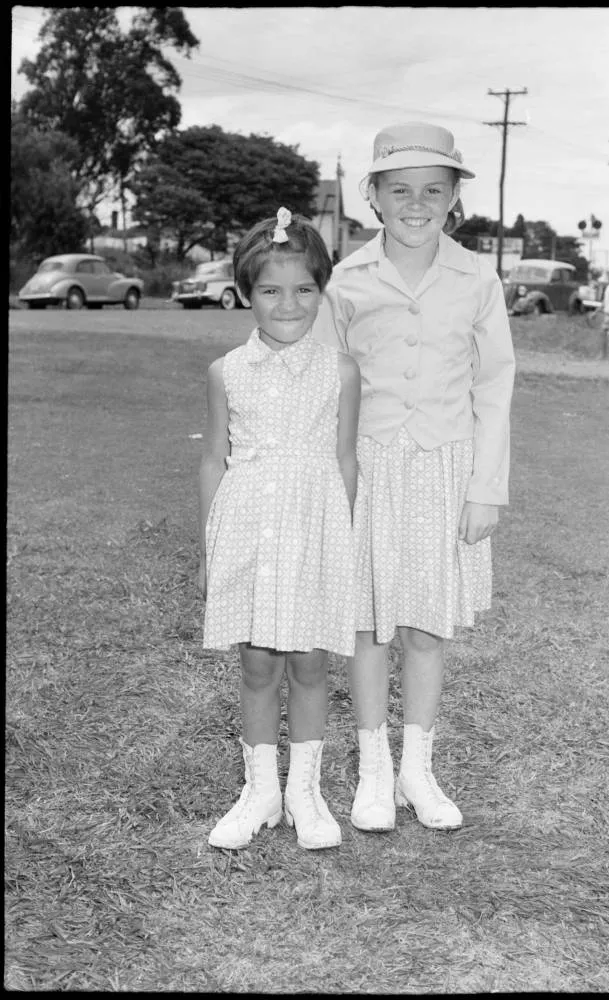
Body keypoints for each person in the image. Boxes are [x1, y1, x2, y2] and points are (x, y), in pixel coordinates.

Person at [311, 122, 515, 833]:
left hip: (444, 468)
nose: (416, 203)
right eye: (399, 189)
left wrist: (485, 487)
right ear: (372, 196)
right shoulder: (345, 281)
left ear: (453, 199)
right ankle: (372, 772)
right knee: (369, 625)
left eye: (433, 190)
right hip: (367, 468)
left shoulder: (476, 278)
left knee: (425, 629)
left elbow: (493, 386)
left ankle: (416, 771)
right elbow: (325, 387)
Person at [199, 207, 361, 852]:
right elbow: (215, 457)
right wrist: (210, 549)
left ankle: (306, 792)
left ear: (321, 292)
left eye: (303, 289)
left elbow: (345, 459)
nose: (287, 303)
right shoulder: (225, 371)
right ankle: (260, 789)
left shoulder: (341, 370)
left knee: (311, 663)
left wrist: (339, 545)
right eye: (270, 290)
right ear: (246, 294)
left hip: (313, 528)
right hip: (249, 527)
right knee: (258, 664)